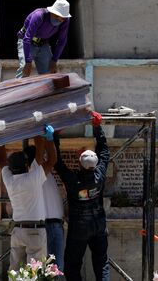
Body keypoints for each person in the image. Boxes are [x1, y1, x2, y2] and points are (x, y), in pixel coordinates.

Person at [54, 111, 109, 281]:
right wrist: (97, 128)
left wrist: (54, 137)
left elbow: (57, 163)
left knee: (72, 265)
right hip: (98, 224)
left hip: (79, 226)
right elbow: (104, 152)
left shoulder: (73, 181)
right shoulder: (99, 176)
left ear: (80, 163)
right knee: (102, 264)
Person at [0, 129, 57, 270]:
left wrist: (0, 142)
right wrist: (48, 138)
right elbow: (52, 160)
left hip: (18, 231)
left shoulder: (9, 180)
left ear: (11, 167)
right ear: (26, 165)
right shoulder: (33, 178)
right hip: (35, 231)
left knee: (15, 272)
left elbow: (1, 161)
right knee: (35, 272)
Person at [23, 144, 65, 271]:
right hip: (49, 225)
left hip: (52, 224)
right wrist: (46, 138)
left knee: (52, 270)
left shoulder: (38, 172)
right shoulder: (36, 171)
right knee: (52, 270)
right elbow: (49, 158)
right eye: (43, 156)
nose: (46, 158)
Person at [16, 0, 71, 78]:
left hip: (43, 44)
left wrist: (54, 60)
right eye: (56, 16)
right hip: (28, 42)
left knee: (50, 72)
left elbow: (62, 41)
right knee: (24, 70)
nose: (59, 20)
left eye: (62, 18)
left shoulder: (65, 21)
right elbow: (27, 38)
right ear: (52, 12)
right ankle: (18, 89)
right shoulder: (39, 15)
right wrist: (28, 62)